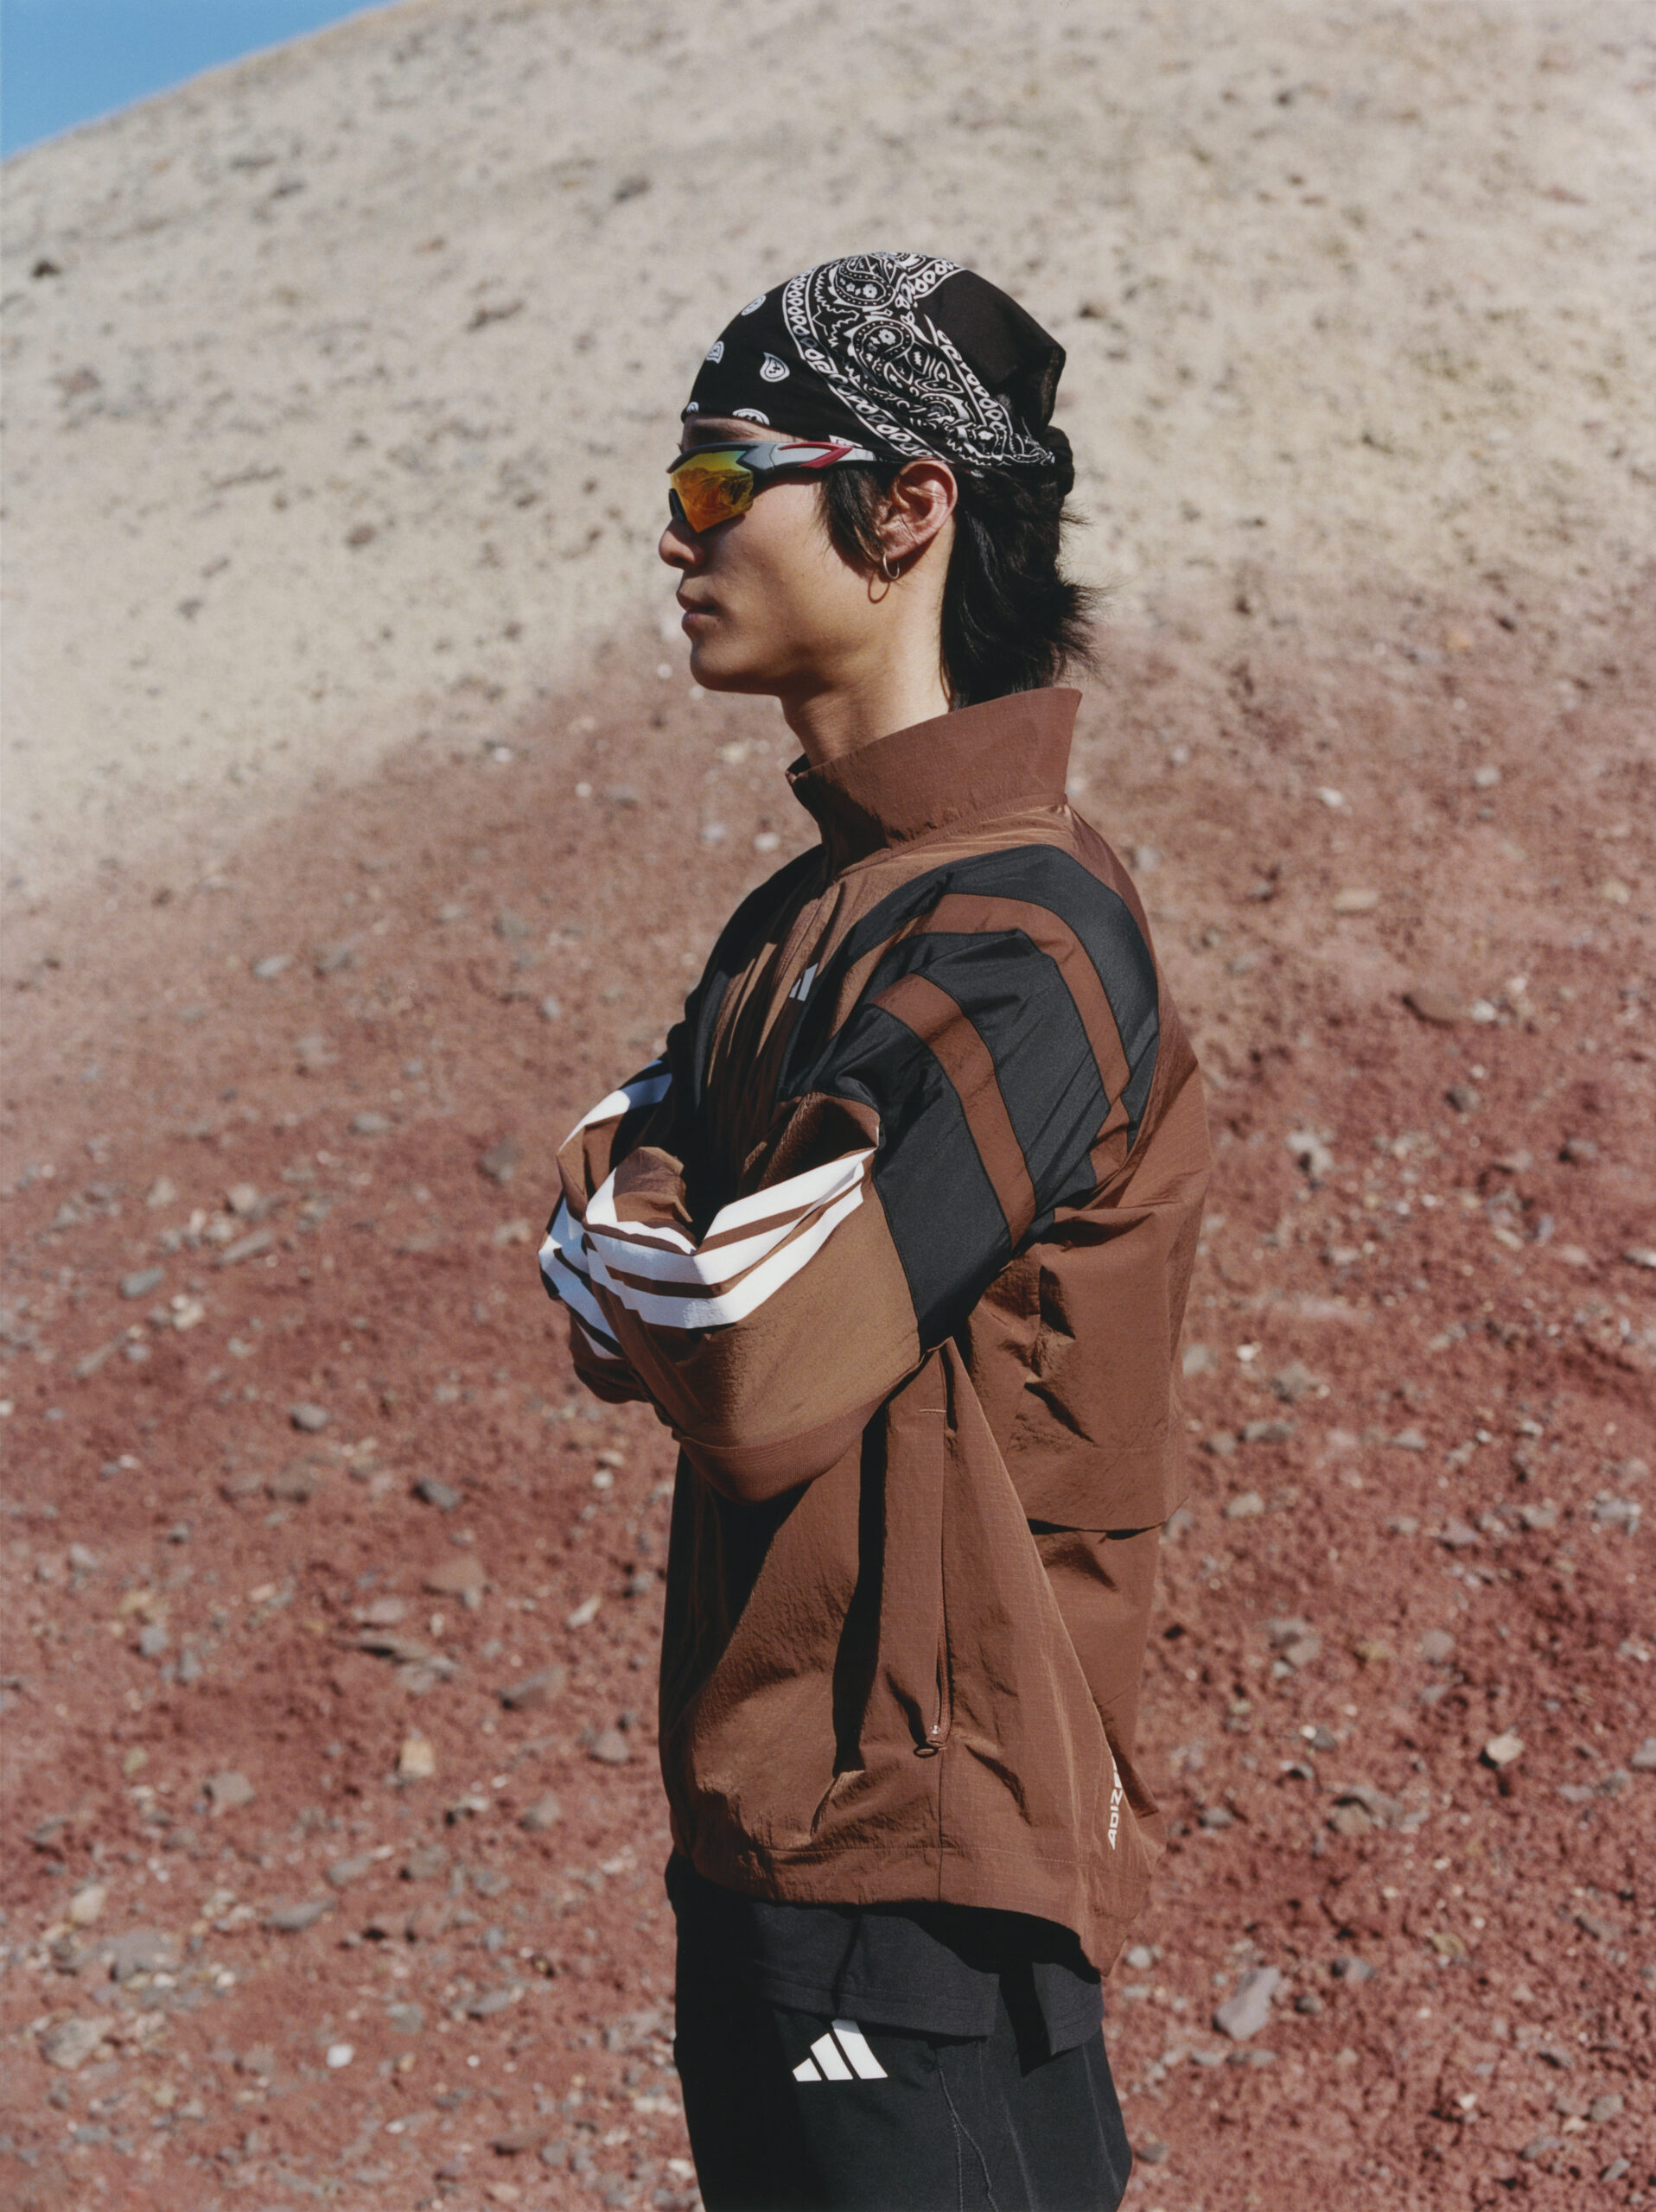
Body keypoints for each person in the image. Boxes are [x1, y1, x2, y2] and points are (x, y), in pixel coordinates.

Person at [539, 252, 1210, 2212]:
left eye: (713, 480)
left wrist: (637, 1191)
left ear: (905, 505)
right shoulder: (806, 920)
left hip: (925, 1879)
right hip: (768, 1850)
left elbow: (737, 1356)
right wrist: (642, 1208)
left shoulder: (1024, 935)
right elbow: (603, 1276)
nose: (675, 536)